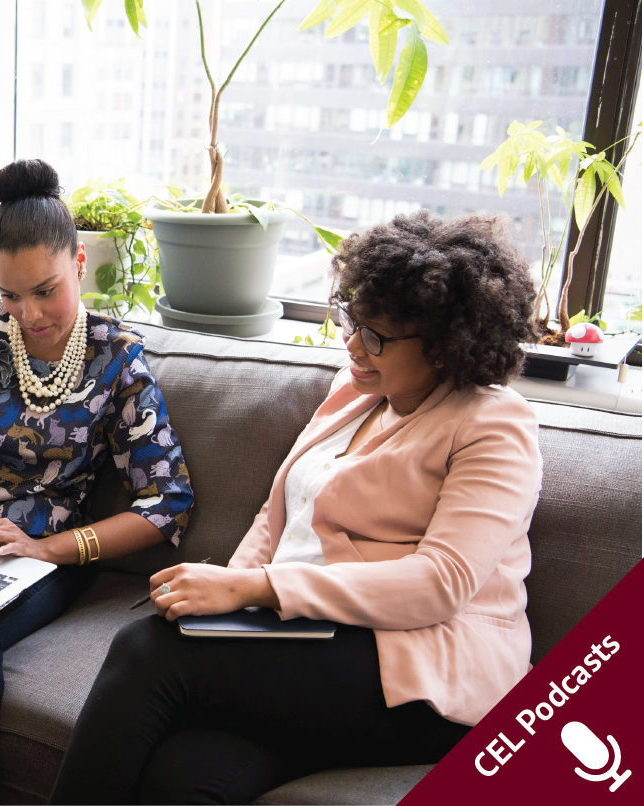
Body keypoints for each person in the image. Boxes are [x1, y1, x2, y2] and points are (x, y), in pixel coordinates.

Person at [48, 211, 543, 806]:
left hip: (425, 669)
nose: (353, 342)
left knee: (146, 650)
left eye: (377, 336)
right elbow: (276, 515)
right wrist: (224, 596)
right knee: (182, 778)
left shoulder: (494, 424)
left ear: (443, 348)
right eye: (353, 319)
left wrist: (255, 590)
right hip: (315, 643)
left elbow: (441, 583)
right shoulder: (355, 392)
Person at [0, 158, 195, 806]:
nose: (27, 312)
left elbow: (167, 504)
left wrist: (49, 548)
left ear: (79, 263)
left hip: (31, 554)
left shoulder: (116, 359)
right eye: (10, 294)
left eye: (45, 289)